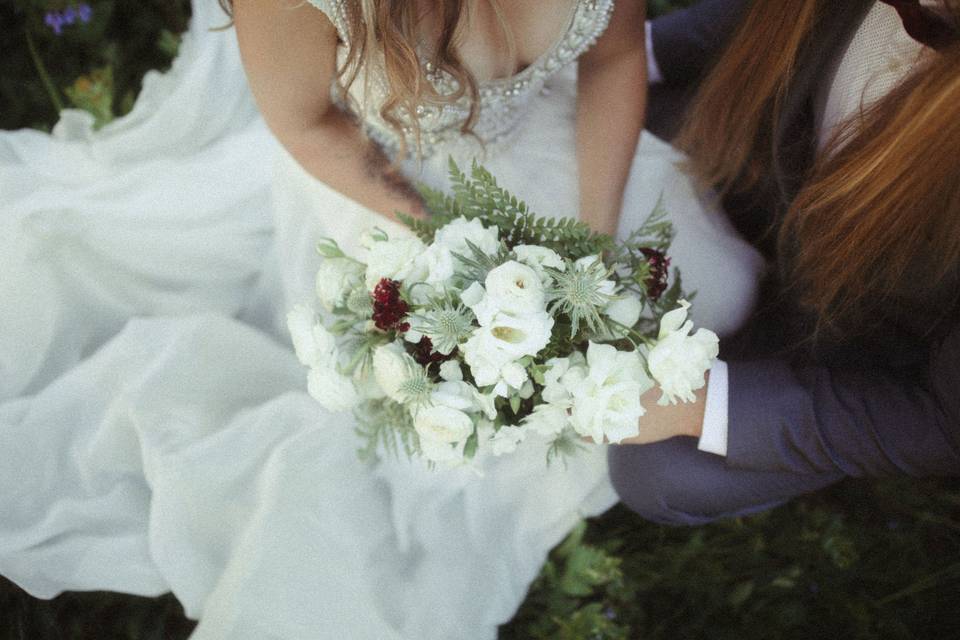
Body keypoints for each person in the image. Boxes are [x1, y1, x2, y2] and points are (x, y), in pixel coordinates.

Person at [0, 1, 764, 638]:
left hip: (546, 139)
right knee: (451, 428)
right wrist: (457, 251)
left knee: (720, 295)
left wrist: (592, 251)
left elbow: (612, 61)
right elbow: (306, 127)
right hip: (397, 189)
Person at [609, 0, 960, 525]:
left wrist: (703, 406)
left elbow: (944, 422)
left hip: (861, 334)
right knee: (597, 128)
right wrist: (634, 53)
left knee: (661, 470)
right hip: (762, 162)